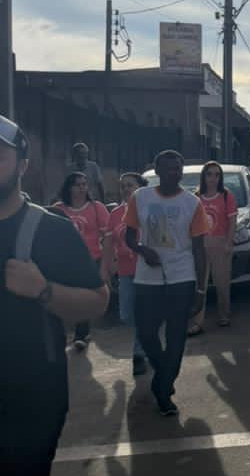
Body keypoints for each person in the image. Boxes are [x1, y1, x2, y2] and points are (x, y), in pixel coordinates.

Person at [0, 115, 109, 476]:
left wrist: (42, 290)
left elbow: (96, 302)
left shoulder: (51, 231)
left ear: (22, 163)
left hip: (29, 393)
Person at [125, 150, 207, 415]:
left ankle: (162, 391)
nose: (174, 173)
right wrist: (142, 250)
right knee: (146, 333)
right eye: (169, 168)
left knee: (176, 337)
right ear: (157, 170)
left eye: (178, 169)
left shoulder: (192, 203)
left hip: (181, 277)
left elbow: (199, 249)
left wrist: (201, 289)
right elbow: (129, 236)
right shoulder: (141, 197)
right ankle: (164, 373)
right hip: (147, 279)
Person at [51, 172, 110, 350]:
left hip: (91, 259)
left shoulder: (96, 207)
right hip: (65, 261)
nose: (82, 187)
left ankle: (81, 334)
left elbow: (108, 236)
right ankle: (60, 334)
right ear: (69, 187)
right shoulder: (59, 209)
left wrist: (106, 264)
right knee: (62, 297)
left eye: (85, 184)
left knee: (84, 297)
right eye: (78, 184)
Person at [105, 172, 148, 376]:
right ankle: (148, 337)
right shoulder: (115, 214)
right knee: (126, 314)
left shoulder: (148, 209)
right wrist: (108, 265)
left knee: (142, 312)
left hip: (146, 270)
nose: (125, 189)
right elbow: (109, 243)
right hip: (124, 271)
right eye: (122, 186)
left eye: (130, 185)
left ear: (140, 187)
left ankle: (139, 354)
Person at [188, 161, 237, 333]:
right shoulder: (196, 197)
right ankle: (197, 322)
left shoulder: (226, 195)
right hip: (200, 244)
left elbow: (232, 221)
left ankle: (224, 315)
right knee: (199, 284)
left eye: (217, 175)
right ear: (203, 176)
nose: (213, 178)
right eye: (209, 174)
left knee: (222, 282)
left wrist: (228, 242)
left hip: (220, 242)